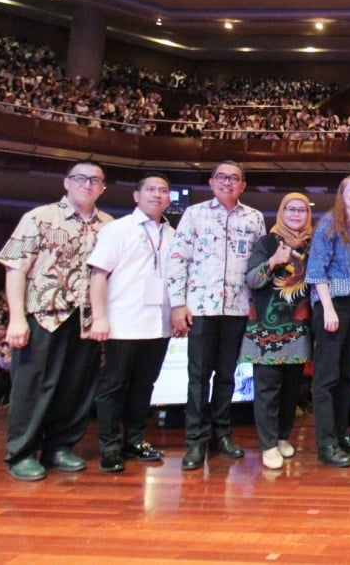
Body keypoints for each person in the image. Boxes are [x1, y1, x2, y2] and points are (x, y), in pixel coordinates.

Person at [0, 160, 112, 480]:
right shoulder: (38, 218)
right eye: (80, 179)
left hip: (86, 319)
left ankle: (60, 446)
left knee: (76, 387)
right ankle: (21, 452)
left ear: (103, 187)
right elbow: (15, 268)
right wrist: (17, 318)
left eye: (95, 180)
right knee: (33, 387)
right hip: (43, 315)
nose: (87, 185)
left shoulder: (110, 225)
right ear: (66, 183)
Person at [166, 160, 266, 470]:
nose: (227, 182)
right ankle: (196, 441)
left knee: (226, 377)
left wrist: (256, 307)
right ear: (211, 182)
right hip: (201, 309)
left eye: (234, 178)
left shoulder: (254, 218)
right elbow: (178, 259)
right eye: (221, 177)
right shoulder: (194, 214)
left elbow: (258, 265)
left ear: (243, 185)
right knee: (198, 378)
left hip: (237, 309)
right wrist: (177, 304)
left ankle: (222, 434)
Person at [87, 172, 174, 473]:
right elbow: (98, 275)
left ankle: (135, 440)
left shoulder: (172, 234)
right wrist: (99, 317)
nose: (157, 195)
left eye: (163, 191)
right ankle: (110, 447)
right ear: (136, 196)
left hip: (158, 324)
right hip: (122, 322)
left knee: (144, 386)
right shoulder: (118, 229)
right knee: (113, 387)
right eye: (150, 189)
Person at [305, 175, 350, 467]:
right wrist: (327, 308)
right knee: (326, 377)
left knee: (348, 375)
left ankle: (341, 433)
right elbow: (316, 270)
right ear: (341, 194)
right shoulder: (329, 223)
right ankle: (326, 443)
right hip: (333, 305)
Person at [241, 192, 314, 470]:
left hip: (298, 328)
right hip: (265, 329)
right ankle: (268, 443)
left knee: (292, 390)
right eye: (291, 209)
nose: (296, 215)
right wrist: (272, 261)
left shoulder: (312, 245)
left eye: (302, 210)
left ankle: (283, 436)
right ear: (282, 212)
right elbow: (252, 279)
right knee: (267, 389)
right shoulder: (268, 242)